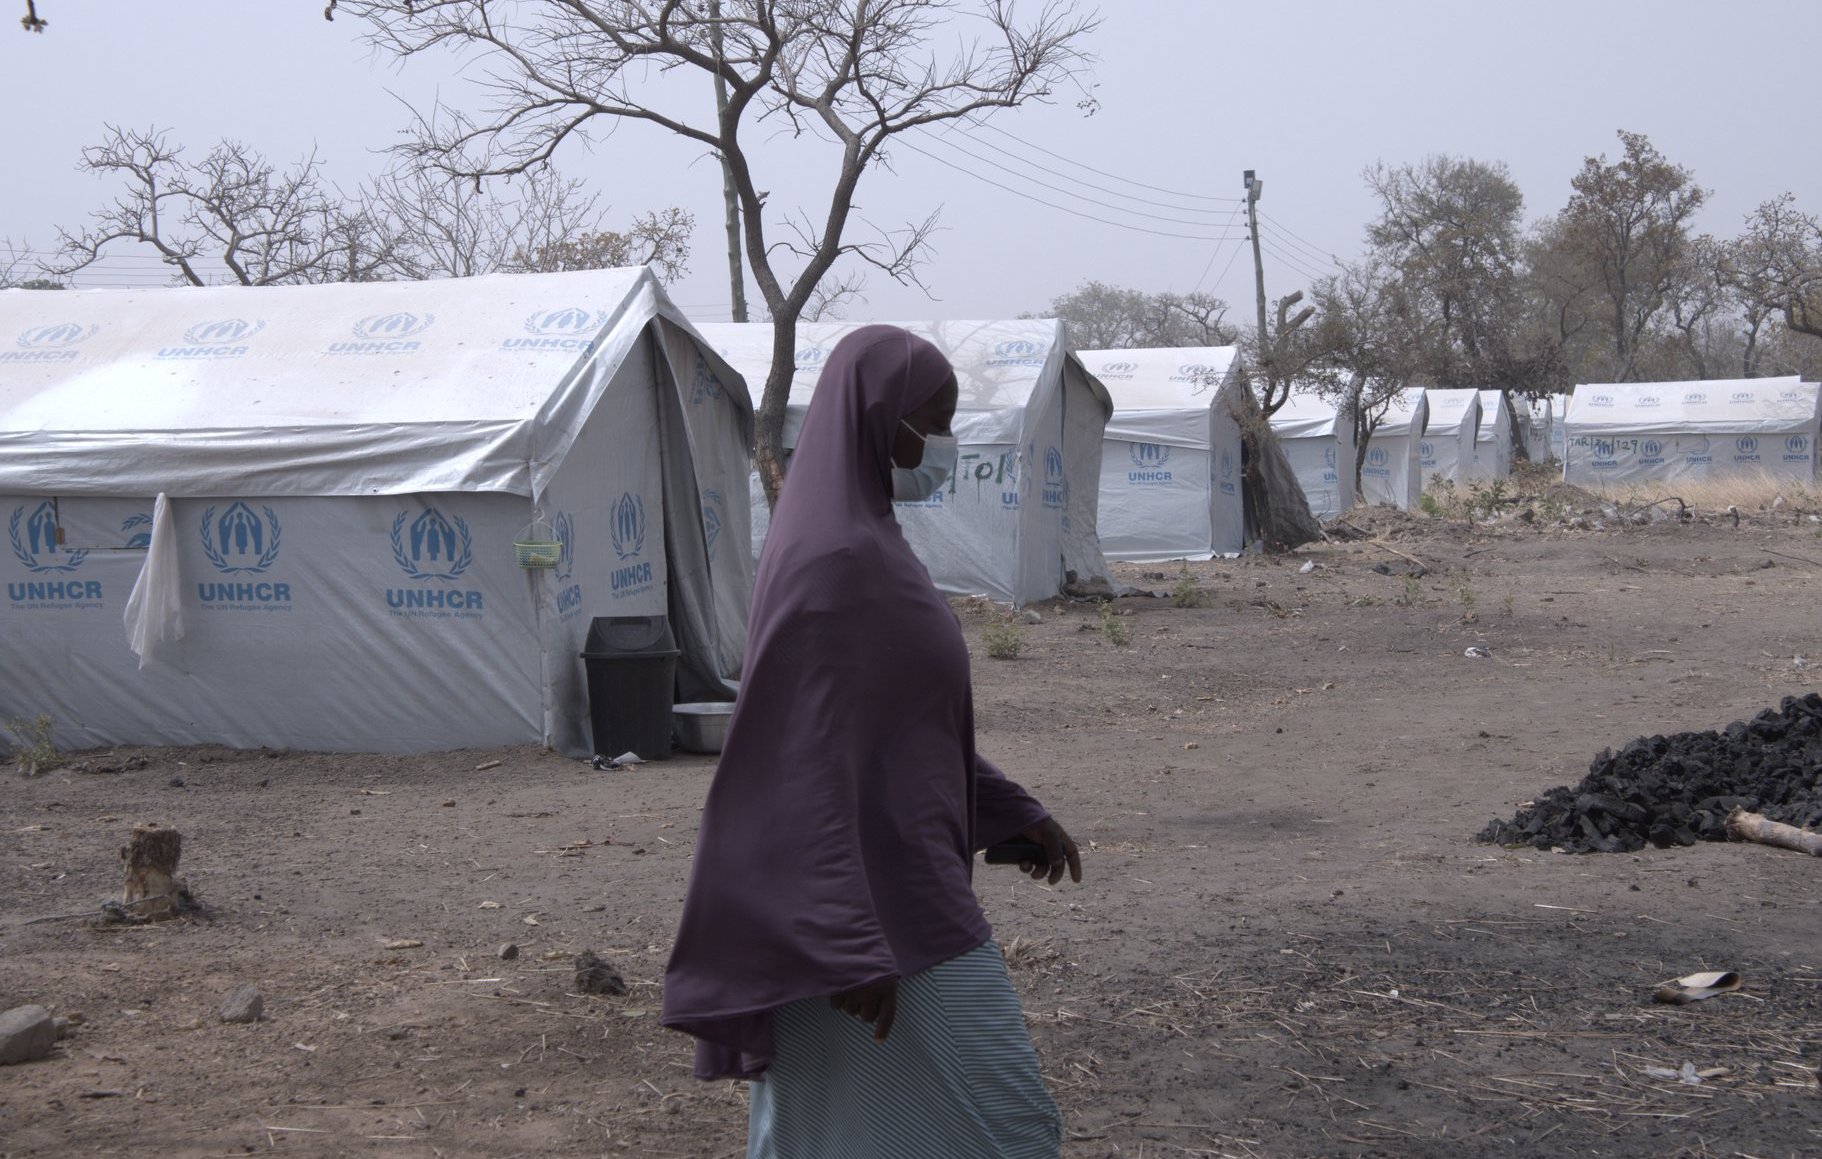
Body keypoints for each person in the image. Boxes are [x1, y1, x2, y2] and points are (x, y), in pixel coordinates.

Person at [662, 325, 1083, 1158]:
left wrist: (1008, 812)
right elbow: (796, 760)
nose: (944, 444)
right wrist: (845, 939)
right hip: (871, 914)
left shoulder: (869, 540)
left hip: (891, 884)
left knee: (832, 1132)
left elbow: (893, 724)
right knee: (1011, 1125)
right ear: (874, 416)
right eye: (933, 418)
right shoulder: (835, 558)